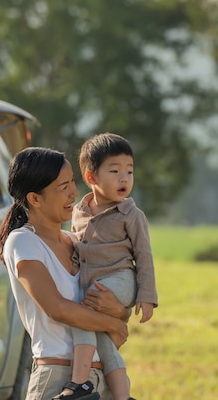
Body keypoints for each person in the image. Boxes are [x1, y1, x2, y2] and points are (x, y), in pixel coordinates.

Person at [0, 147, 130, 400]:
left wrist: (120, 312)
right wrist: (113, 323)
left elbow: (109, 306)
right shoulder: (23, 242)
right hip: (58, 380)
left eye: (72, 183)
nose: (74, 193)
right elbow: (57, 308)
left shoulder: (78, 242)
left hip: (105, 379)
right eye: (63, 187)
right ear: (35, 199)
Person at [66, 133, 158, 400]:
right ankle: (123, 396)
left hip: (121, 279)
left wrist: (147, 296)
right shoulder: (78, 211)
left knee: (82, 314)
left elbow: (144, 256)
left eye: (129, 171)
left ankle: (80, 382)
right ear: (91, 178)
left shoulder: (132, 215)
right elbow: (77, 247)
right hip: (94, 283)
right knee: (105, 342)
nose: (124, 178)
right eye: (115, 171)